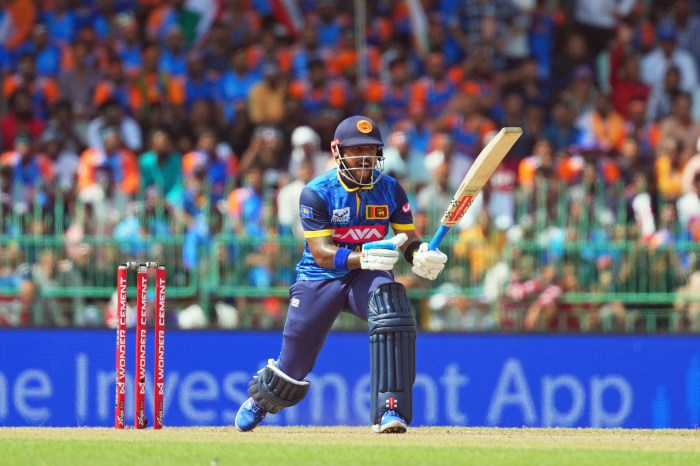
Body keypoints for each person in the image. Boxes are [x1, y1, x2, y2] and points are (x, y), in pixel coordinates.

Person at [234, 115, 448, 433]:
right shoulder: (317, 192)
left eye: (370, 150)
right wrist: (364, 257)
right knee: (294, 364)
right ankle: (264, 400)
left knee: (393, 308)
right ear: (338, 152)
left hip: (368, 275)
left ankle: (391, 410)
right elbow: (322, 253)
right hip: (320, 276)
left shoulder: (391, 189)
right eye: (355, 150)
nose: (364, 158)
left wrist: (422, 254)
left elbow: (408, 240)